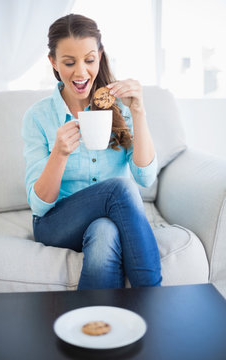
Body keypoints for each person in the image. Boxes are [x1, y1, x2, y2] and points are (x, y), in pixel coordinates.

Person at [22, 13, 162, 290]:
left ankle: (95, 324)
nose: (81, 72)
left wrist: (138, 111)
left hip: (106, 220)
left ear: (100, 56)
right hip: (56, 223)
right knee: (120, 189)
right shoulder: (38, 117)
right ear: (53, 63)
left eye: (89, 60)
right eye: (69, 62)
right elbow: (40, 206)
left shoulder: (119, 109)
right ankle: (154, 298)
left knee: (104, 231)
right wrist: (59, 154)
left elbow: (145, 178)